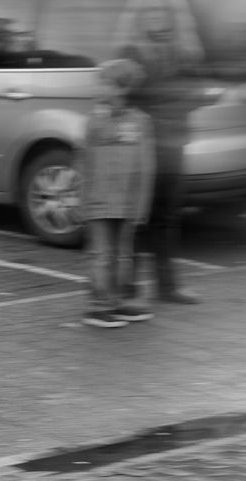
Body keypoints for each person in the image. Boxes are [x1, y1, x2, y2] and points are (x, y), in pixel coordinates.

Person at [117, 0, 204, 304]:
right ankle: (127, 289)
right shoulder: (131, 52)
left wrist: (186, 101)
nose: (156, 15)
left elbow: (195, 91)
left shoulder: (185, 51)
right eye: (150, 10)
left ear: (172, 15)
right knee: (138, 217)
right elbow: (120, 97)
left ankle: (168, 287)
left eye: (162, 9)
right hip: (143, 145)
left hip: (174, 143)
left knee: (167, 216)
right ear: (140, 16)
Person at [78, 59, 156, 329]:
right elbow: (84, 161)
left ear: (122, 89)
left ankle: (122, 300)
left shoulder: (140, 122)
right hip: (99, 200)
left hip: (127, 202)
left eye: (105, 83)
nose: (98, 88)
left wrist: (141, 206)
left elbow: (146, 166)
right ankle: (99, 305)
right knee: (101, 254)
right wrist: (81, 200)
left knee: (125, 255)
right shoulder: (93, 121)